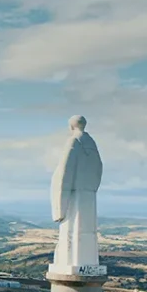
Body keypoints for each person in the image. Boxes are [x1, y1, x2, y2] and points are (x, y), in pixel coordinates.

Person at [50, 115, 103, 272]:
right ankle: (88, 263)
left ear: (71, 126)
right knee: (87, 233)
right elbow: (99, 169)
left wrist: (59, 206)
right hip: (89, 197)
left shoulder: (74, 142)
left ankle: (71, 263)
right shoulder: (92, 144)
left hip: (74, 196)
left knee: (71, 232)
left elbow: (64, 173)